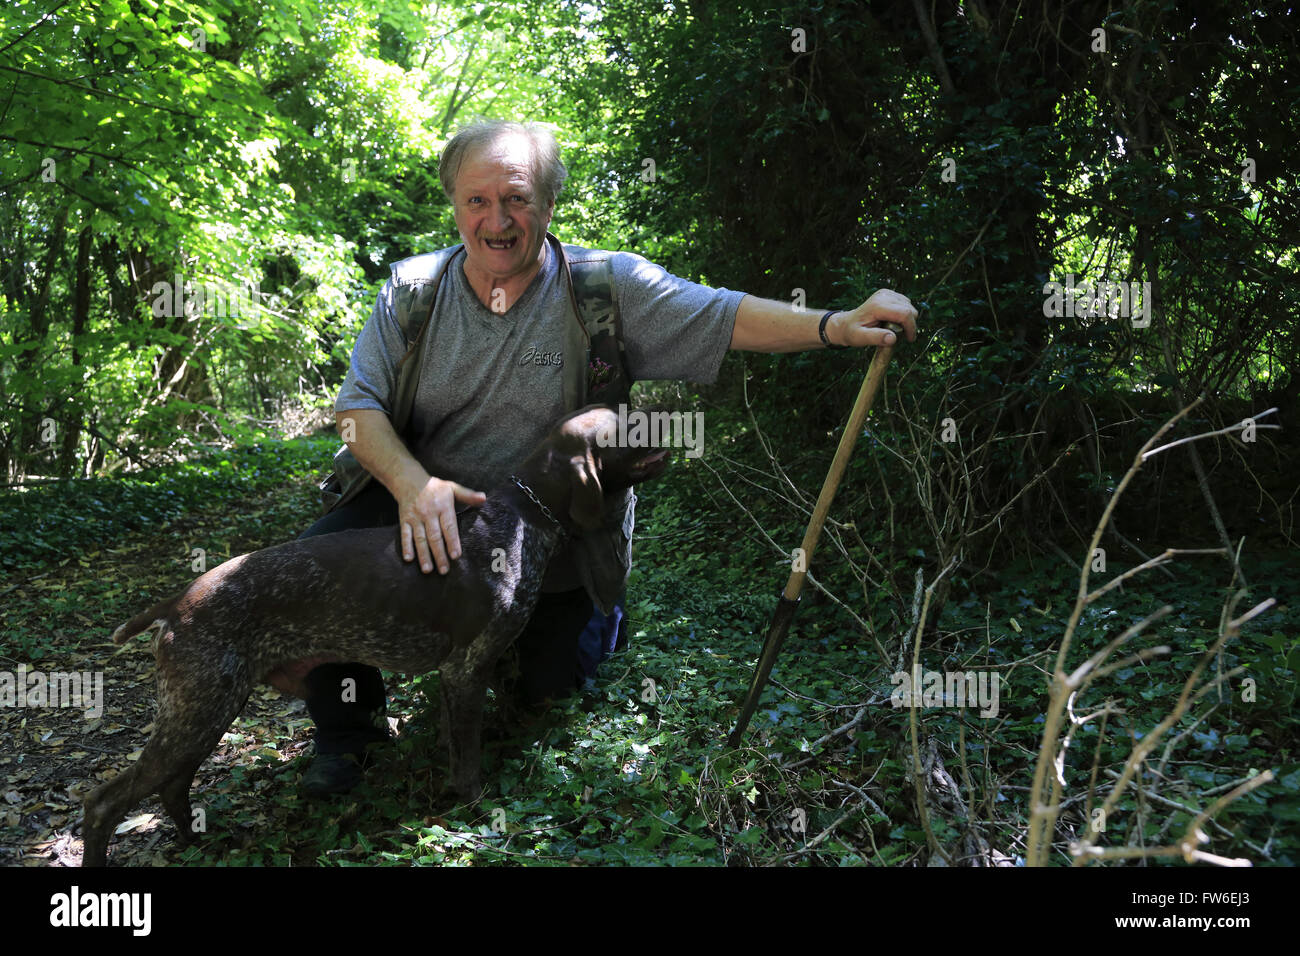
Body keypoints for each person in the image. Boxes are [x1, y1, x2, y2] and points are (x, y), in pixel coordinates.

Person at [295, 120, 918, 795]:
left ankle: (583, 618)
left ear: (550, 204)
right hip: (429, 522)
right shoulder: (413, 292)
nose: (496, 220)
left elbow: (722, 315)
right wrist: (414, 488)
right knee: (317, 569)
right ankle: (347, 732)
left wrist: (836, 325)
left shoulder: (603, 288)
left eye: (517, 198)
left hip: (552, 531)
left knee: (548, 691)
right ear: (454, 205)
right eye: (476, 200)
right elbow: (357, 412)